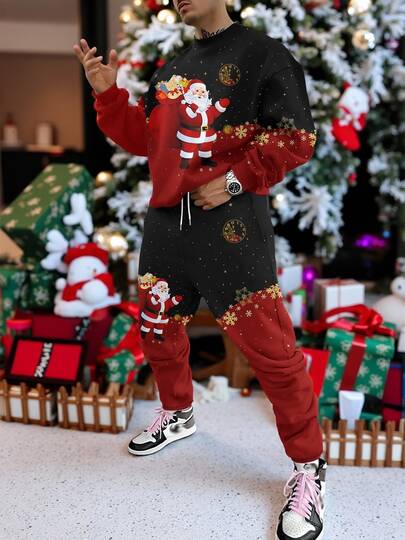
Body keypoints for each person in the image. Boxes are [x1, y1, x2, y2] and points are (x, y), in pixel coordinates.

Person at [73, 1, 327, 538]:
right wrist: (108, 94)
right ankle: (179, 412)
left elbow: (296, 137)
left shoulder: (264, 55)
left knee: (272, 351)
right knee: (157, 327)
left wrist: (234, 180)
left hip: (233, 229)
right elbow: (146, 140)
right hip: (167, 226)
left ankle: (309, 467)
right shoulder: (173, 69)